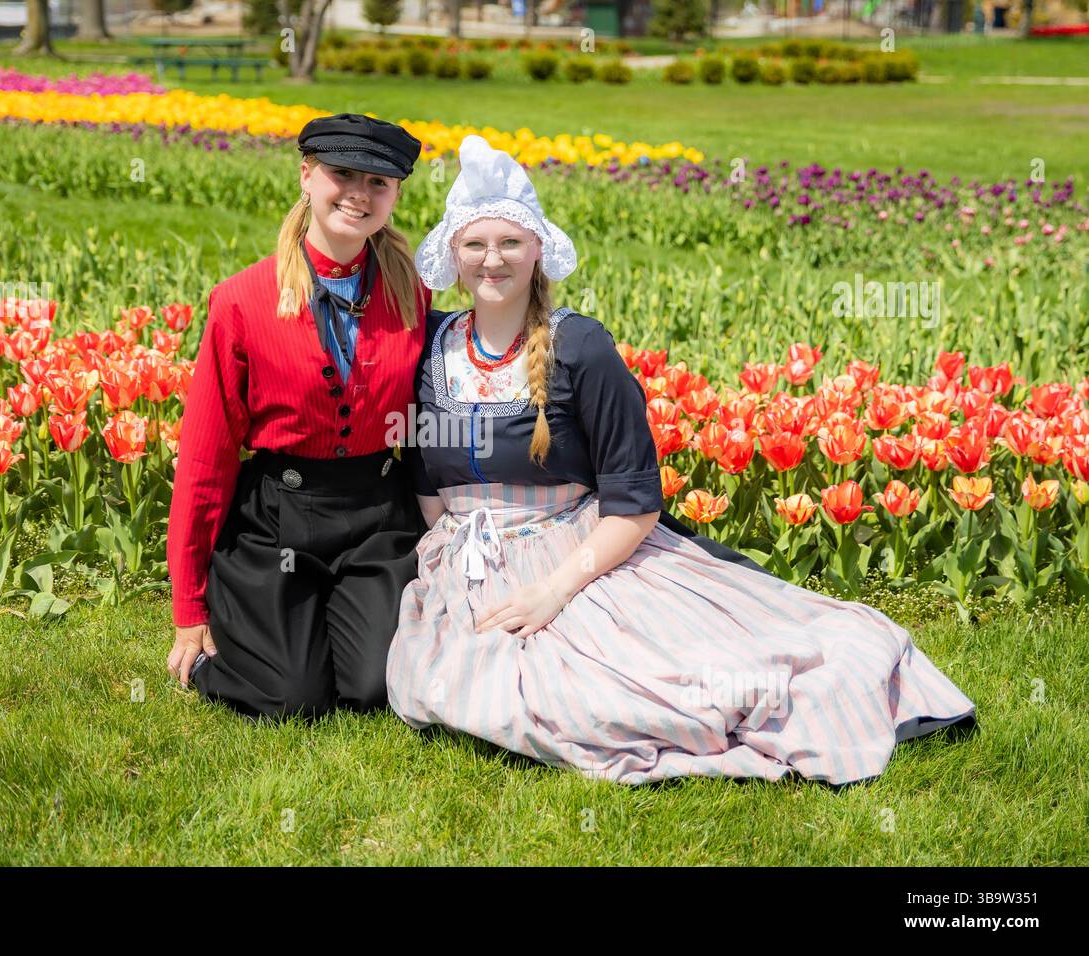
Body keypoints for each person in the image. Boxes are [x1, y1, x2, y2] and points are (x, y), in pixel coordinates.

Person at [385, 134, 977, 786]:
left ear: (538, 252)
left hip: (573, 552)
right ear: (453, 254)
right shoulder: (435, 345)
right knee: (430, 679)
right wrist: (448, 555)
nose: (491, 260)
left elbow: (634, 504)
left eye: (509, 244)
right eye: (475, 244)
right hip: (466, 556)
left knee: (606, 697)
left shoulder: (578, 347)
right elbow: (428, 474)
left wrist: (554, 589)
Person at [167, 113, 432, 720]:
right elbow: (206, 456)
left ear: (395, 195)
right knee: (293, 699)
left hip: (375, 519)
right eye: (343, 174)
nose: (359, 194)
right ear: (307, 175)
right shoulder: (240, 301)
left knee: (371, 688)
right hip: (278, 519)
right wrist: (189, 611)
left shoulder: (410, 295)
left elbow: (422, 427)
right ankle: (254, 634)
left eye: (379, 183)